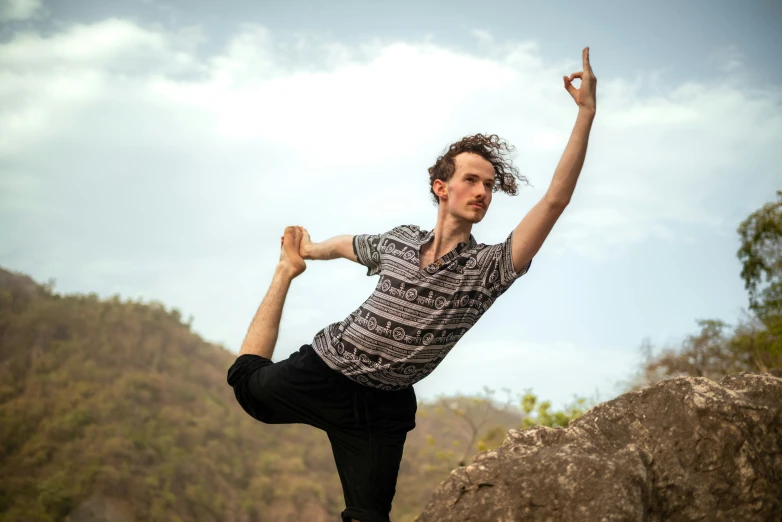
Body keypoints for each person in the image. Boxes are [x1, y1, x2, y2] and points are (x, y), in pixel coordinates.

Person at [227, 47, 597, 522]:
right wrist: (307, 254)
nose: (483, 192)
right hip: (323, 368)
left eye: (489, 185)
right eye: (472, 180)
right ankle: (282, 275)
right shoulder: (401, 240)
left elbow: (553, 201)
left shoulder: (489, 268)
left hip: (380, 411)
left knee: (368, 518)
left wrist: (585, 113)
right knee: (245, 383)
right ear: (442, 187)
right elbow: (352, 245)